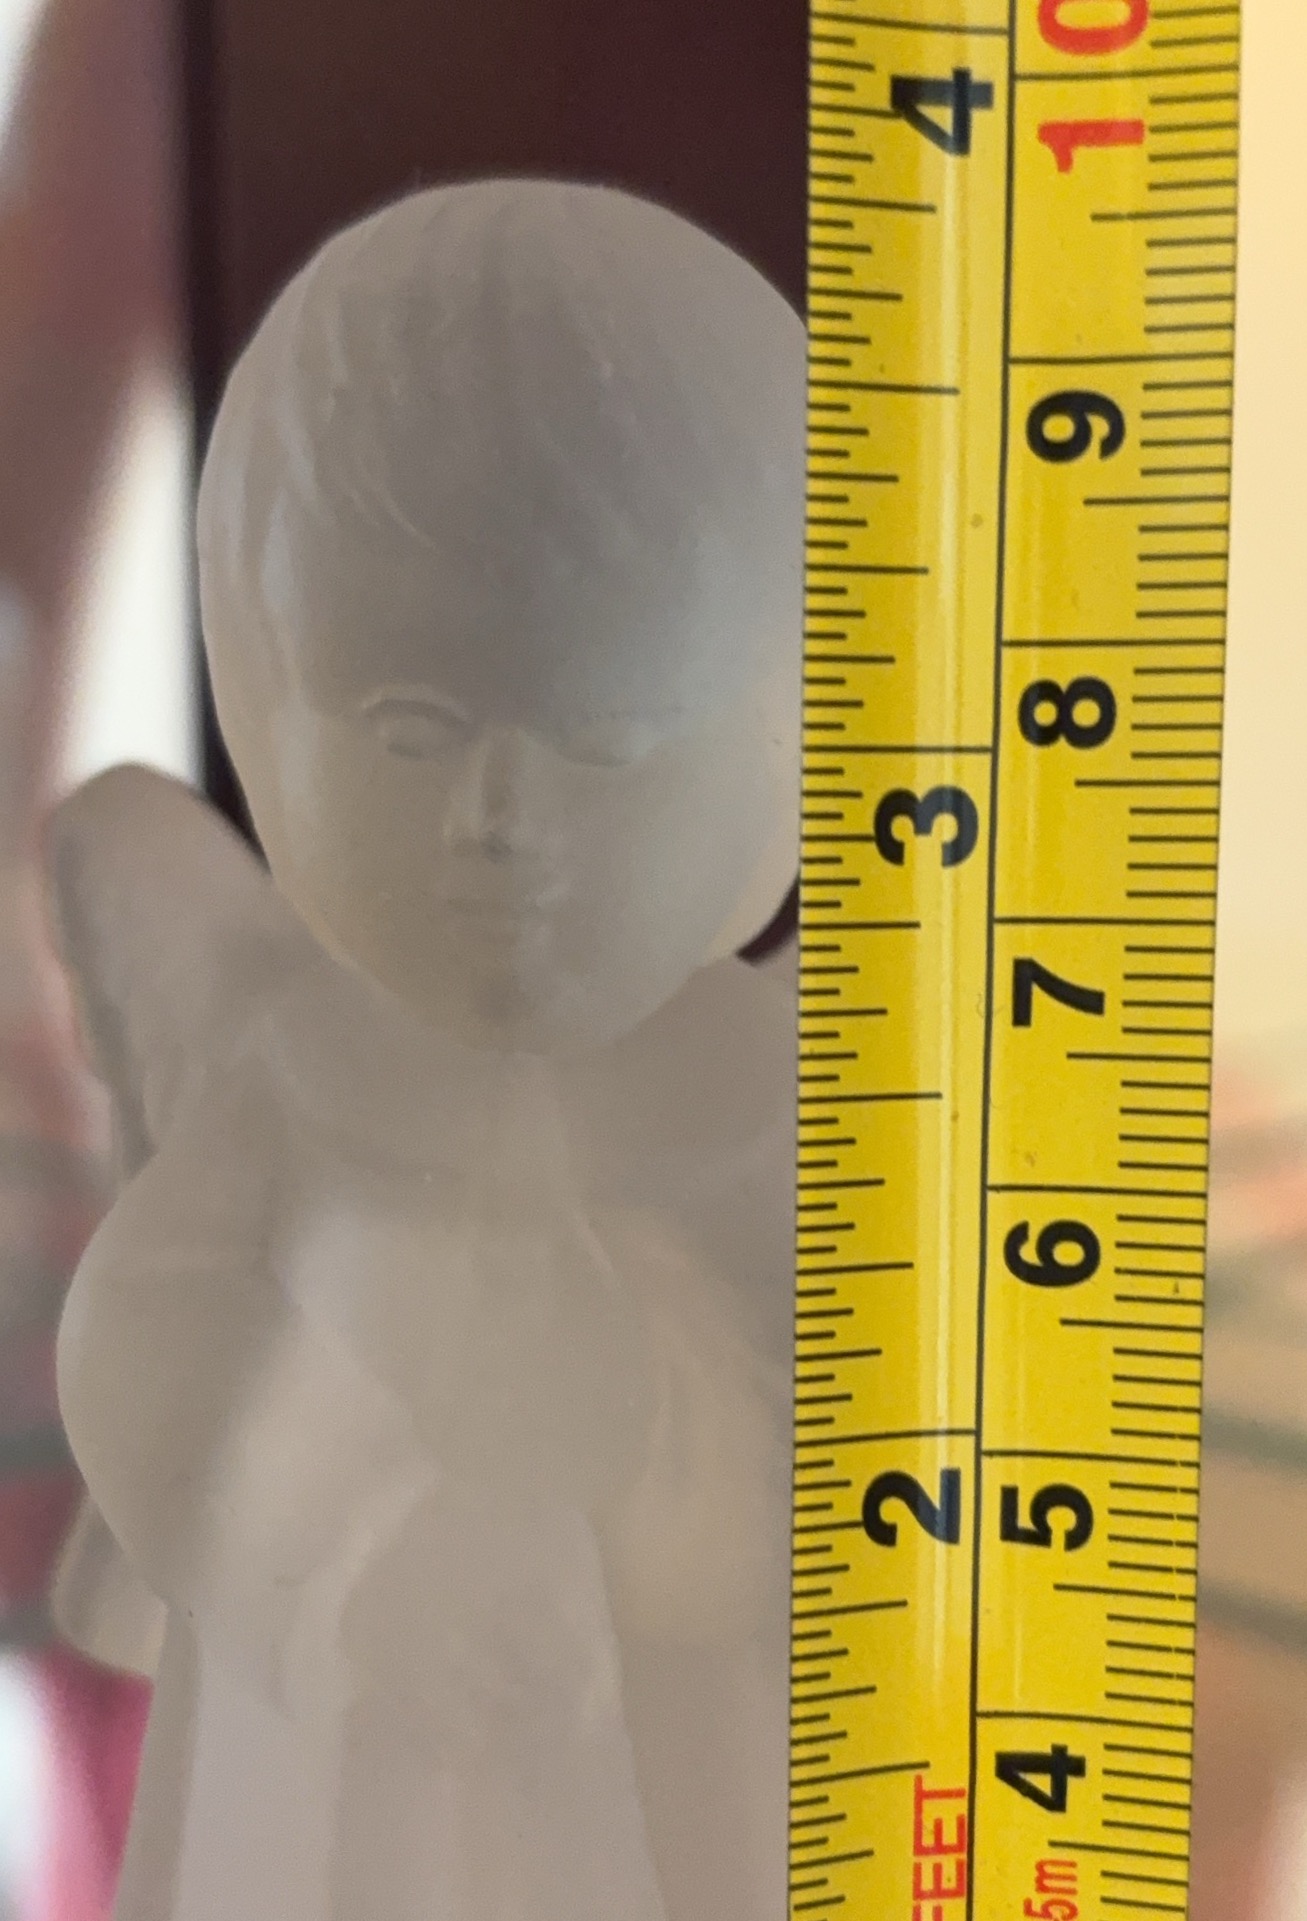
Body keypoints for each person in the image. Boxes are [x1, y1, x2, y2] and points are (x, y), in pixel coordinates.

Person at [45, 177, 804, 1920]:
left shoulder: (798, 1106)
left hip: (682, 1765)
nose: (498, 822)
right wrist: (334, 1581)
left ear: (787, 739)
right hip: (336, 1773)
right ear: (264, 703)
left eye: (605, 740)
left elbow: (896, 1470)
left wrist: (682, 1468)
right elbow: (151, 1358)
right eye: (410, 727)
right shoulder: (295, 1076)